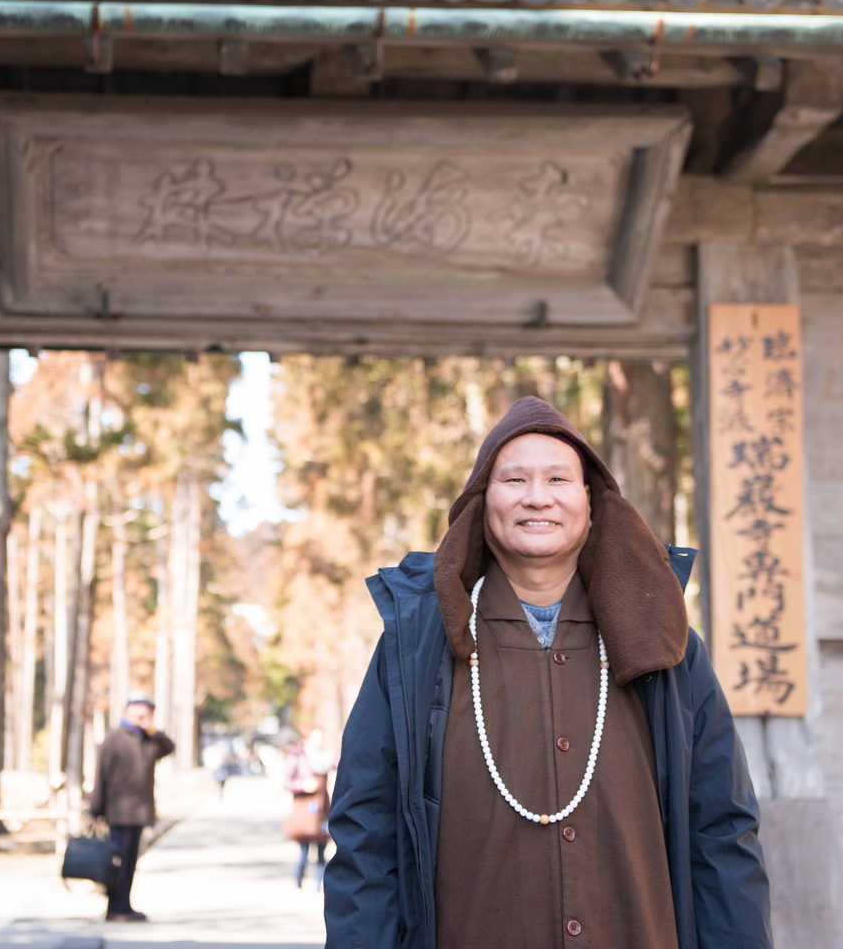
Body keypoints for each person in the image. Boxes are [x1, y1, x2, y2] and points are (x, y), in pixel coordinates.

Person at [324, 397, 771, 949]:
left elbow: (722, 831)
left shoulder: (661, 641)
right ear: (481, 502)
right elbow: (367, 834)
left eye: (559, 478)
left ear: (590, 500)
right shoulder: (419, 644)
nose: (537, 498)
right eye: (514, 480)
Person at [87, 693, 175, 924]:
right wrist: (95, 807)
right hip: (118, 811)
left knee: (130, 863)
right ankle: (114, 906)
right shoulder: (114, 737)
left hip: (140, 812)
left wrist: (152, 730)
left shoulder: (148, 740)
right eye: (137, 710)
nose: (141, 715)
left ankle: (124, 905)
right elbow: (101, 774)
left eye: (146, 712)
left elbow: (169, 748)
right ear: (127, 711)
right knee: (117, 861)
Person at [282, 728, 334, 889]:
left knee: (321, 851)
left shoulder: (328, 758)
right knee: (304, 852)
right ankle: (298, 881)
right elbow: (286, 782)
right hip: (304, 810)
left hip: (323, 809)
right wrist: (303, 786)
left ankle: (319, 886)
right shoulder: (298, 757)